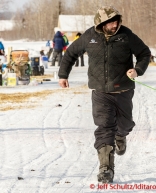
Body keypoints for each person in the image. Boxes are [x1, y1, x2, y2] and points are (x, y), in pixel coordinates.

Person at [58, 6, 151, 183]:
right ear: (100, 23)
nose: (114, 24)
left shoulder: (126, 35)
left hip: (123, 90)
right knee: (104, 127)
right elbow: (70, 53)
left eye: (116, 21)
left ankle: (121, 134)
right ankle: (106, 168)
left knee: (125, 124)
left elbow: (144, 53)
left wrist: (137, 70)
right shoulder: (89, 36)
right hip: (100, 92)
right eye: (110, 22)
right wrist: (63, 75)